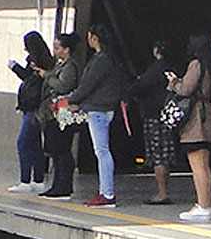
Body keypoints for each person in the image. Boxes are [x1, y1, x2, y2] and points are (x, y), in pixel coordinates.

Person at [64, 24, 125, 207]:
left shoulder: (101, 60)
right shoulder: (110, 58)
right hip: (103, 108)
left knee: (102, 151)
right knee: (102, 151)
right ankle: (105, 191)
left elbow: (88, 84)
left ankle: (107, 193)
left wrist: (71, 100)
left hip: (98, 110)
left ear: (94, 38)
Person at [168, 33, 211, 221]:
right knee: (206, 165)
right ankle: (205, 203)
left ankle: (203, 205)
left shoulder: (196, 64)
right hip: (210, 116)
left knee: (198, 165)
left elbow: (186, 88)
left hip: (197, 121)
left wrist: (174, 82)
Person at [128, 40, 176, 204]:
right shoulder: (172, 68)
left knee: (157, 155)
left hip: (154, 115)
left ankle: (162, 193)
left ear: (156, 51)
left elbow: (138, 87)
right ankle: (165, 190)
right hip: (168, 116)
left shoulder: (155, 69)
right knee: (166, 155)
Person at [7, 31, 53, 193]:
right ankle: (38, 180)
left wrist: (16, 68)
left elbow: (31, 79)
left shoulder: (40, 63)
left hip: (35, 107)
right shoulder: (43, 61)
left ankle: (25, 180)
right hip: (33, 107)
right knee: (35, 144)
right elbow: (29, 78)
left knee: (23, 142)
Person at [37, 32, 81, 200]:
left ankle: (63, 186)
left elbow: (63, 86)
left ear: (66, 49)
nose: (55, 51)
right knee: (56, 149)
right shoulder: (60, 64)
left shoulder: (70, 67)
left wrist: (47, 76)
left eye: (58, 47)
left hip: (62, 112)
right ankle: (57, 184)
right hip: (53, 112)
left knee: (61, 149)